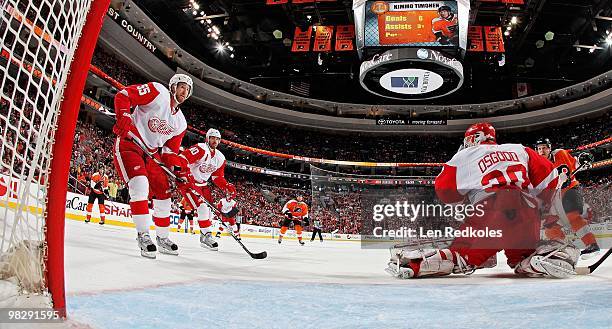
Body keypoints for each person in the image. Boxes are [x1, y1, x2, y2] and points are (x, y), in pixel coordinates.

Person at [386, 122, 580, 279]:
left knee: (459, 255)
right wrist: (543, 208)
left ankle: (415, 265)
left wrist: (465, 201)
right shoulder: (520, 150)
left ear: (471, 139)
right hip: (527, 212)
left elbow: (445, 192)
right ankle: (541, 260)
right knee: (520, 257)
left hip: (491, 211)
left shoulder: (464, 155)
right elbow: (551, 178)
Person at [112, 73, 193, 259]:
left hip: (152, 153)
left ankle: (163, 238)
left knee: (164, 193)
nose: (184, 91)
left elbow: (169, 152)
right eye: (182, 86)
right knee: (140, 185)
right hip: (130, 142)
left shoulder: (181, 123)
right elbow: (124, 95)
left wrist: (178, 172)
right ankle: (143, 235)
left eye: (187, 89)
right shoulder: (158, 91)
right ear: (173, 86)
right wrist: (124, 116)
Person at [535, 138, 600, 259]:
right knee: (550, 227)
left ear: (549, 148)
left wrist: (583, 159)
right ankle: (565, 251)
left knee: (572, 215)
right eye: (539, 148)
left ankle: (591, 245)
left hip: (570, 190)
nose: (542, 151)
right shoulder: (538, 166)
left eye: (544, 147)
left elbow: (576, 163)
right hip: (555, 198)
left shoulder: (561, 153)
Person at [177, 128, 235, 251]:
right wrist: (185, 174)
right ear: (207, 138)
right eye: (213, 138)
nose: (215, 141)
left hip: (203, 186)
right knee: (202, 207)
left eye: (218, 139)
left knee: (208, 211)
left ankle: (204, 235)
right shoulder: (201, 148)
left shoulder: (220, 157)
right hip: (189, 183)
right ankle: (207, 235)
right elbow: (183, 158)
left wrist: (227, 187)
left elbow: (217, 177)